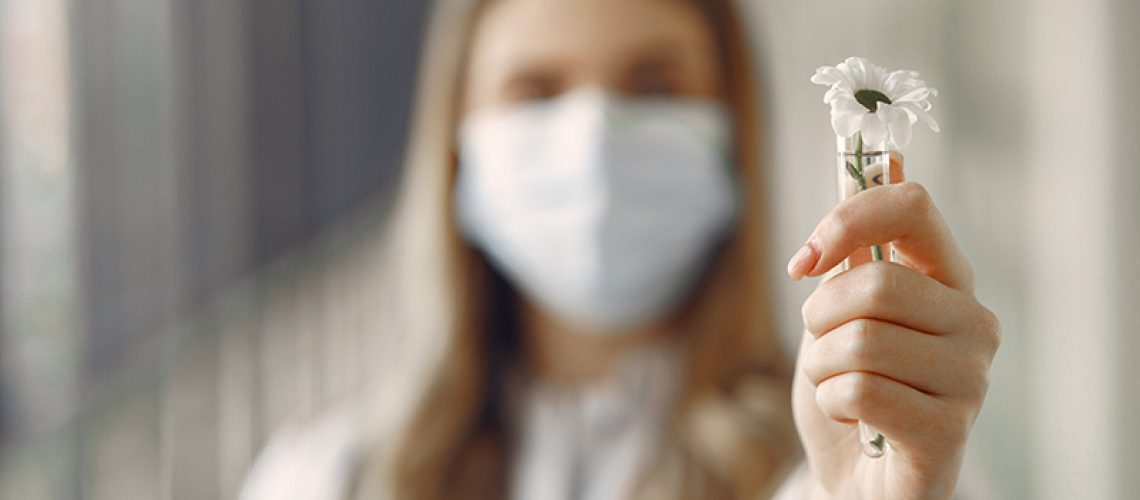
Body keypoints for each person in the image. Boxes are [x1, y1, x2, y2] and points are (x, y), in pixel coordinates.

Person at [239, 0, 1001, 498]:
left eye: (653, 84)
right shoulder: (323, 480)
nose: (591, 140)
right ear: (455, 143)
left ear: (733, 130)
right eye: (536, 92)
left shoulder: (834, 467)